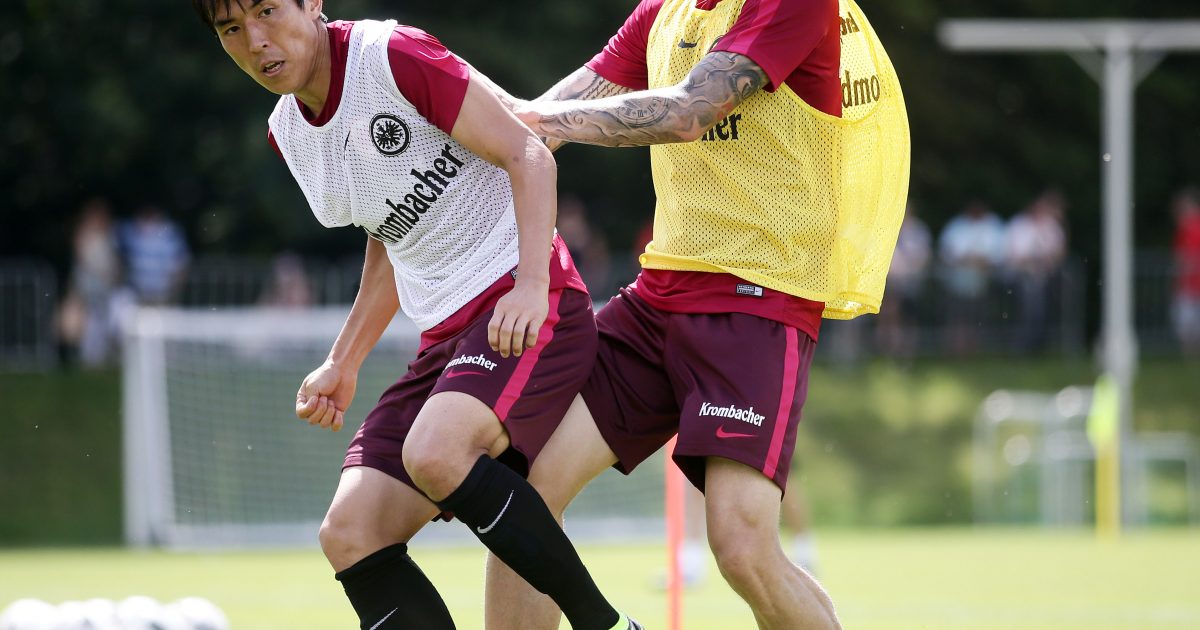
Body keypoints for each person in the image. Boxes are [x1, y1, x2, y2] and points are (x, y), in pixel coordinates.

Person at [189, 2, 640, 629]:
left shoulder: (389, 55)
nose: (256, 41)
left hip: (529, 304)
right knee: (349, 532)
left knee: (435, 453)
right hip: (446, 342)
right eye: (231, 30)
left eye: (267, 11)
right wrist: (342, 361)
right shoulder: (289, 132)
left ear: (311, 3)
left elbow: (529, 153)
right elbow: (390, 234)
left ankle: (609, 627)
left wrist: (533, 285)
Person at [485, 0, 909, 628]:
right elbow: (551, 109)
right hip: (658, 296)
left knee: (742, 549)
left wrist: (534, 121)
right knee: (519, 485)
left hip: (759, 301)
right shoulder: (665, 9)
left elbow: (687, 111)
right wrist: (457, 114)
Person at [937, 200, 1006, 355]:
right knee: (958, 317)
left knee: (978, 319)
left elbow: (999, 255)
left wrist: (980, 261)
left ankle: (975, 350)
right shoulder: (956, 226)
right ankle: (956, 349)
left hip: (986, 283)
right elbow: (948, 253)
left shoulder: (993, 225)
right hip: (958, 284)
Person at [1004, 189, 1067, 352]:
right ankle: (1025, 345)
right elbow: (1014, 256)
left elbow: (1059, 252)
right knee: (1030, 307)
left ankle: (1040, 344)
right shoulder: (1018, 225)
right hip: (1021, 277)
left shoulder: (1051, 226)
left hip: (1047, 278)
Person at [118, 204, 190, 306]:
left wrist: (174, 291)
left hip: (163, 295)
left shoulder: (170, 233)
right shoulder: (129, 230)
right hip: (137, 295)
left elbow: (181, 264)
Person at [1172, 186, 1200, 354]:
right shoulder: (1182, 229)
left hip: (1193, 284)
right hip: (1186, 284)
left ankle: (1191, 354)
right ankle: (1189, 354)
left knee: (1190, 323)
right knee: (1185, 323)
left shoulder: (1191, 227)